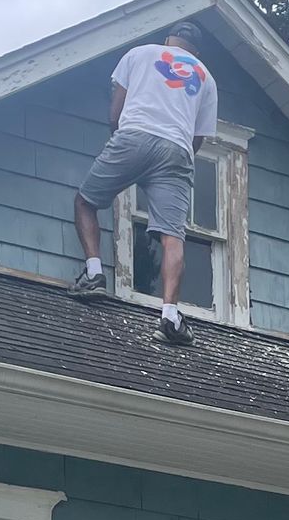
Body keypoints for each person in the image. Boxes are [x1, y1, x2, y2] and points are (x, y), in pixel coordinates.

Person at [71, 20, 219, 346]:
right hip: (177, 151)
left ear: (168, 40)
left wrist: (124, 152)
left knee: (85, 201)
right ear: (195, 51)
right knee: (172, 237)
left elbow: (115, 114)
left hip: (135, 135)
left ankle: (94, 273)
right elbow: (197, 139)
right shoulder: (206, 77)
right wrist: (176, 158)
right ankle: (169, 314)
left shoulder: (139, 54)